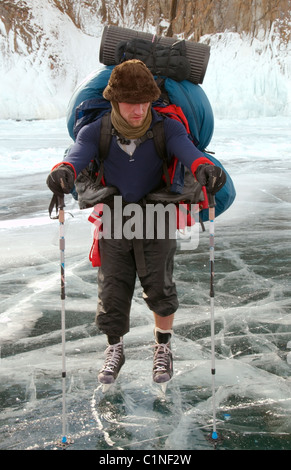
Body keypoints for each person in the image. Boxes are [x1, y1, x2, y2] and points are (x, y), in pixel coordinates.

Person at [46, 59, 226, 387]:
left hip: (156, 214)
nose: (139, 110)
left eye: (145, 101)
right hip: (115, 216)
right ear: (114, 100)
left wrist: (203, 168)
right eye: (131, 102)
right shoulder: (95, 130)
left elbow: (187, 151)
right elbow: (77, 157)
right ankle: (115, 349)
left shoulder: (166, 127)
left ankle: (163, 348)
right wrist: (64, 172)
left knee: (161, 288)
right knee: (112, 289)